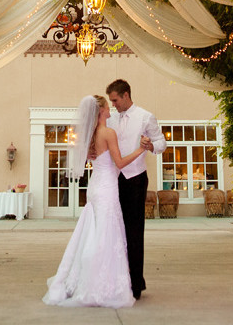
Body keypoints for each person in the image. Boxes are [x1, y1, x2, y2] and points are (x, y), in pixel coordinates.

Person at [42, 95, 148, 308]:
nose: (111, 109)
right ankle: (100, 283)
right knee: (106, 234)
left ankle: (84, 277)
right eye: (108, 106)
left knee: (92, 232)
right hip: (107, 188)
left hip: (95, 187)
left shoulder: (90, 135)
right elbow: (119, 163)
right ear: (101, 111)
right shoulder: (108, 133)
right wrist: (141, 149)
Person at [105, 79, 166, 300]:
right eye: (111, 101)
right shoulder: (110, 118)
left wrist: (152, 146)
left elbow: (161, 142)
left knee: (133, 230)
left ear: (126, 95)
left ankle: (136, 284)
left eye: (115, 100)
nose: (113, 105)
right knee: (114, 229)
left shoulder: (145, 116)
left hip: (136, 179)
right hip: (113, 179)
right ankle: (115, 279)